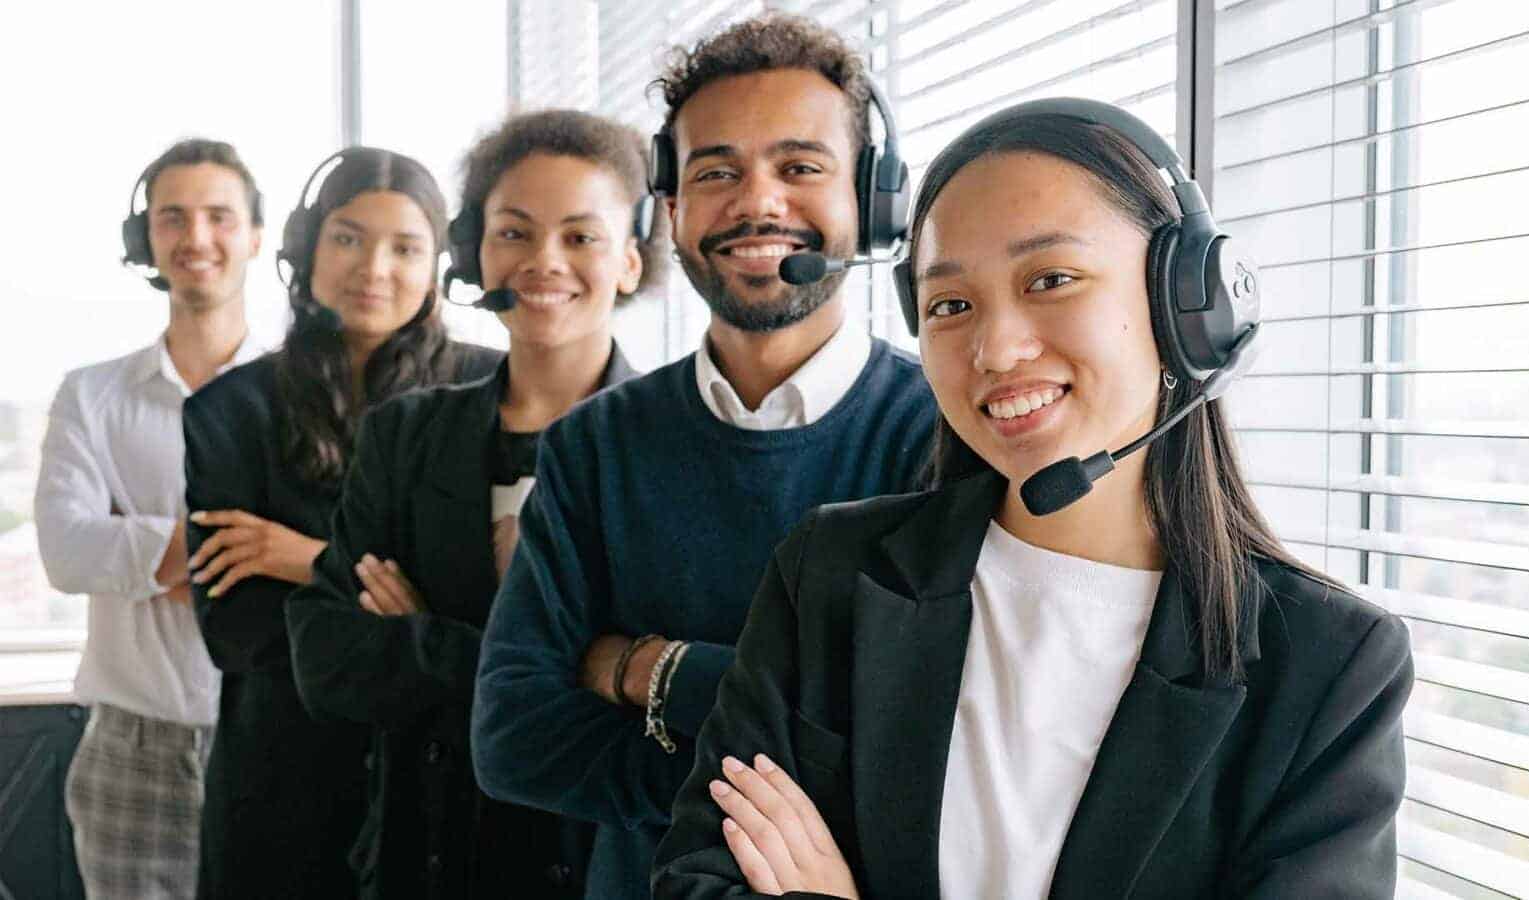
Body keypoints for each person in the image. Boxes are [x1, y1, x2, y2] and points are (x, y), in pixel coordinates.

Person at [652, 99, 1414, 900]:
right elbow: (696, 883)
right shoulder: (833, 574)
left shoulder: (1328, 666)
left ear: (1187, 305)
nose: (995, 348)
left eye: (1050, 279)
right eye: (950, 305)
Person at [472, 14, 938, 900]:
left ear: (870, 200)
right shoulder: (593, 445)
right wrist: (788, 781)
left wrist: (640, 670)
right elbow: (514, 738)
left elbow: (921, 746)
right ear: (673, 209)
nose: (758, 202)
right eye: (716, 170)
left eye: (800, 167)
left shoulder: (942, 437)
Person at [283, 109, 664, 900]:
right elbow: (326, 658)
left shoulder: (675, 445)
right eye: (514, 232)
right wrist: (573, 667)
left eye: (581, 236)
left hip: (604, 863)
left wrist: (425, 636)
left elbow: (675, 694)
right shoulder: (406, 435)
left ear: (630, 259)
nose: (543, 261)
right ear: (474, 251)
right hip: (425, 855)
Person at [182, 146, 500, 899]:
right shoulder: (229, 412)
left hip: (449, 778)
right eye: (348, 238)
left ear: (439, 265)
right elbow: (240, 632)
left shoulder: (495, 390)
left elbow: (499, 618)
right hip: (281, 786)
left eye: (405, 247)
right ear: (306, 250)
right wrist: (415, 612)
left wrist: (305, 560)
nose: (374, 267)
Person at [34, 138, 267, 899]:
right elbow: (68, 554)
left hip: (275, 734)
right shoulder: (90, 395)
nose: (196, 238)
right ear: (148, 239)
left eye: (219, 216)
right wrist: (233, 552)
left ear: (256, 237)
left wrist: (143, 555)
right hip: (131, 744)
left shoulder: (299, 393)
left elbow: (326, 558)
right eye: (173, 217)